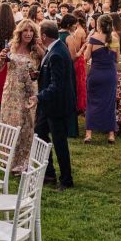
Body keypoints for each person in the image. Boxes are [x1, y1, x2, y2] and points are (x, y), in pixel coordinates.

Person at [34, 20, 76, 188]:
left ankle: (66, 180)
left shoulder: (57, 53)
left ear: (44, 36)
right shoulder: (54, 49)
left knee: (59, 143)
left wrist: (39, 97)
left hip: (57, 105)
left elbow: (56, 85)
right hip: (49, 106)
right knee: (39, 133)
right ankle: (49, 173)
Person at [0, 19, 42, 173]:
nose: (29, 34)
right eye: (26, 31)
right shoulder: (11, 47)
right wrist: (1, 59)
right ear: (20, 32)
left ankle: (23, 162)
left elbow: (44, 65)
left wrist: (39, 49)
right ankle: (8, 159)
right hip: (11, 91)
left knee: (27, 126)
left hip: (29, 92)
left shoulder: (36, 50)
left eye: (31, 31)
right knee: (10, 124)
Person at [84, 14, 119, 144]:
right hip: (110, 75)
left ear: (99, 25)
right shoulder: (115, 39)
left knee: (92, 102)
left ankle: (89, 134)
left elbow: (86, 57)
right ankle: (111, 134)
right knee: (110, 103)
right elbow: (118, 59)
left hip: (96, 74)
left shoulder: (93, 38)